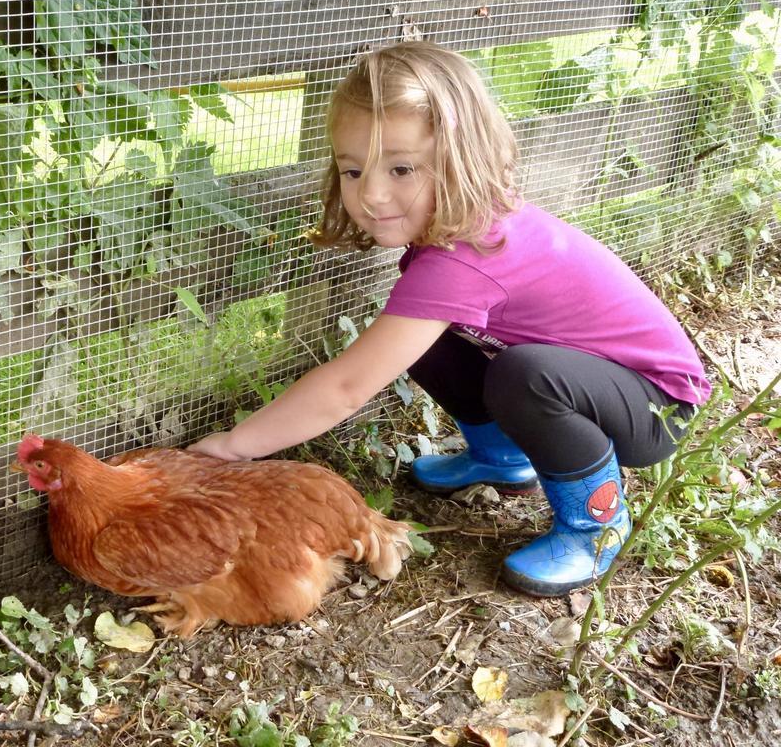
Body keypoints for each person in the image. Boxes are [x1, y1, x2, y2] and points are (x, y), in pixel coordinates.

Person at [189, 40, 710, 597]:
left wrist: (232, 448)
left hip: (656, 408)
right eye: (353, 168)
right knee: (421, 337)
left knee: (526, 375)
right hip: (600, 384)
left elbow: (345, 388)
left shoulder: (469, 259)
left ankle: (597, 526)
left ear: (463, 159)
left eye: (402, 168)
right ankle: (503, 459)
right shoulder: (462, 230)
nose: (371, 193)